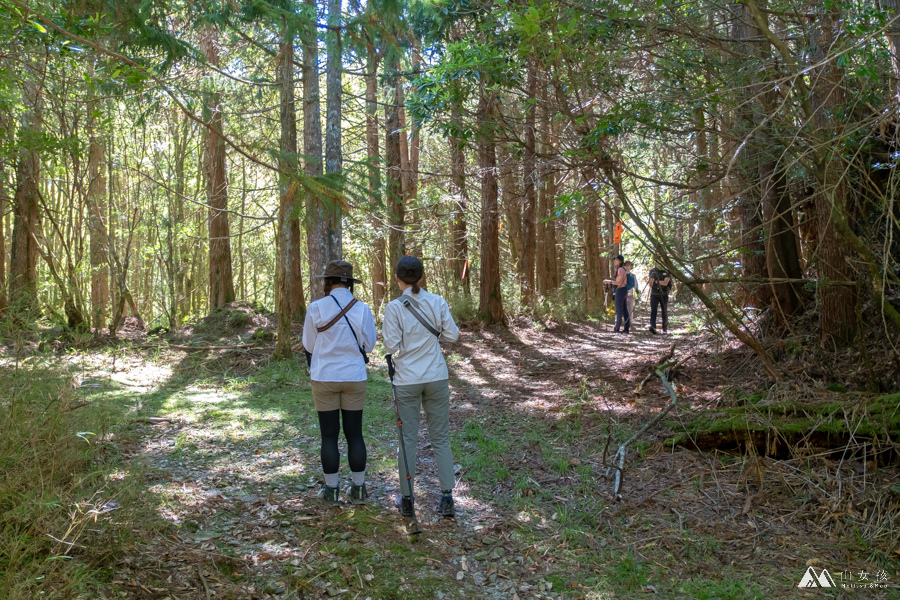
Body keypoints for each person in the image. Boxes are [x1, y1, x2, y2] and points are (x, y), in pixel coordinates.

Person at [382, 256, 460, 518]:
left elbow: (390, 346)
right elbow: (452, 335)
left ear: (397, 279)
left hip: (406, 380)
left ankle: (406, 498)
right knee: (440, 438)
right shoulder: (437, 301)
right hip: (436, 376)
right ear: (422, 277)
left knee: (407, 440)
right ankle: (447, 497)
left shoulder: (394, 307)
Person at [302, 260, 377, 505]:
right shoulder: (362, 309)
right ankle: (358, 488)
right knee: (355, 434)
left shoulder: (316, 307)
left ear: (327, 282)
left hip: (324, 376)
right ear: (350, 284)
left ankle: (331, 489)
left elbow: (309, 345)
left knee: (329, 435)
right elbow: (370, 345)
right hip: (354, 376)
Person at [603, 255, 630, 333]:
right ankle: (626, 328)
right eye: (615, 259)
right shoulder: (622, 269)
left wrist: (609, 281)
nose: (615, 261)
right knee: (624, 310)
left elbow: (619, 282)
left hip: (621, 290)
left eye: (617, 260)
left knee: (619, 310)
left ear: (621, 261)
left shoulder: (621, 270)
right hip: (623, 290)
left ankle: (617, 328)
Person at [647, 264, 671, 334]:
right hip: (654, 294)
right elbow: (650, 284)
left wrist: (657, 281)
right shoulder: (653, 271)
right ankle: (653, 327)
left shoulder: (666, 271)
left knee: (664, 311)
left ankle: (665, 329)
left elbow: (665, 283)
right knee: (653, 310)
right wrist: (652, 280)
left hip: (664, 294)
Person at [624, 261, 638, 327]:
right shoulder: (623, 274)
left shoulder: (633, 276)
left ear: (631, 266)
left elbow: (635, 285)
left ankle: (630, 322)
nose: (628, 267)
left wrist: (635, 290)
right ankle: (623, 321)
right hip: (623, 292)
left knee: (630, 308)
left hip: (630, 293)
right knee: (623, 307)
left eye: (629, 265)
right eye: (626, 265)